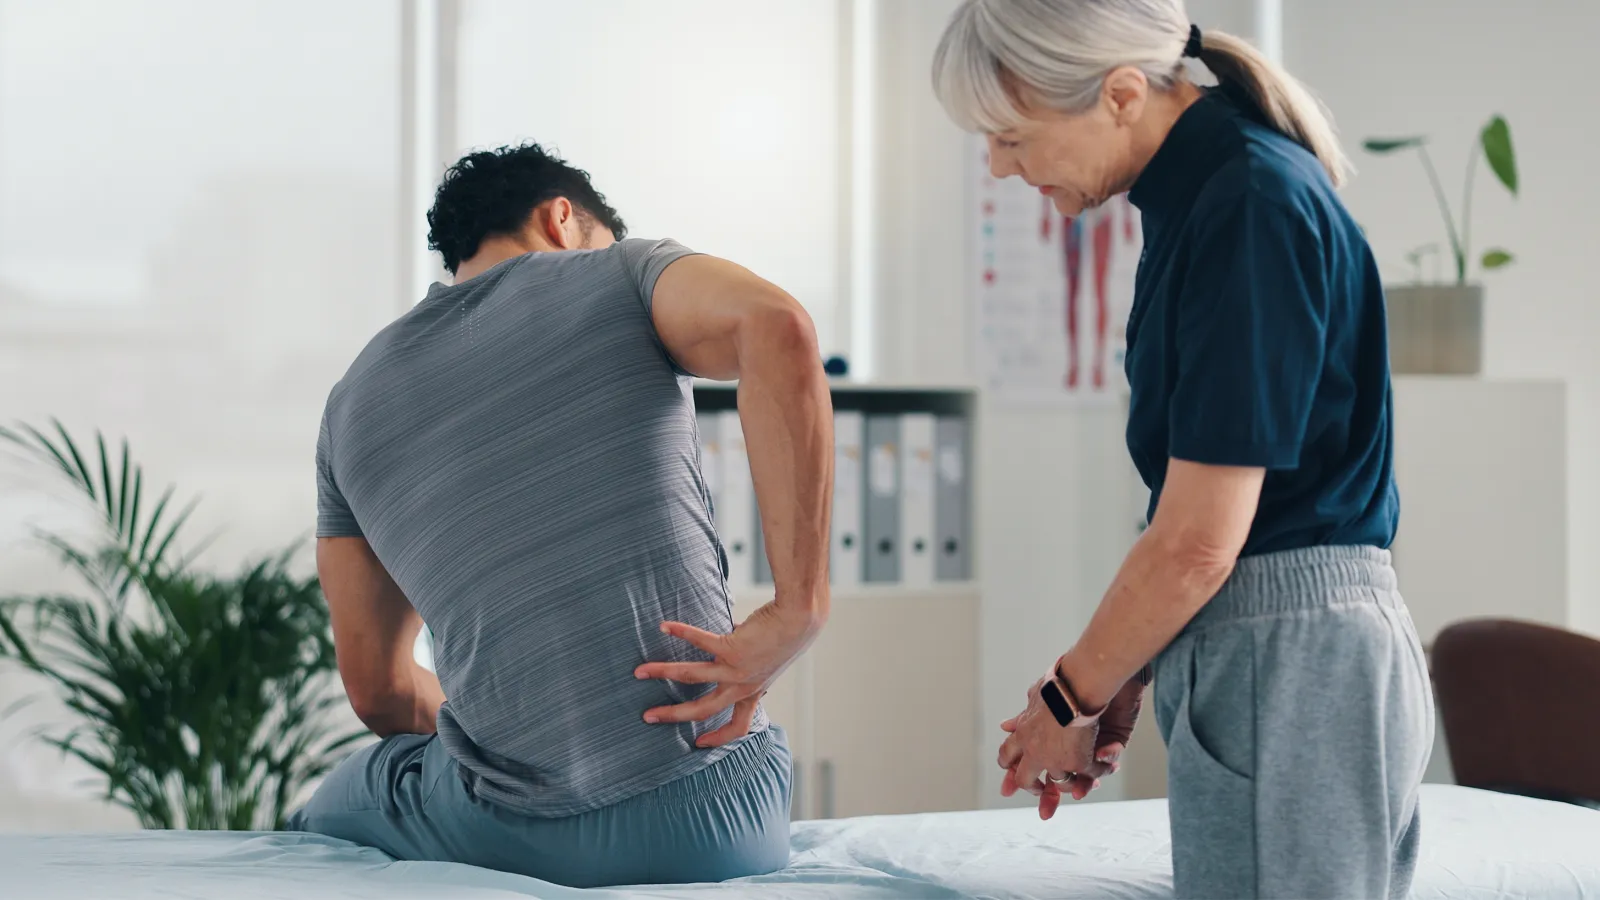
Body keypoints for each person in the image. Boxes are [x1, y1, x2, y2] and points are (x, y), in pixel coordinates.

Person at [933, 2, 1433, 898]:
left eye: (1012, 137)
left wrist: (1068, 700)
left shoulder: (1246, 203)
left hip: (1291, 661)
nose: (1001, 167)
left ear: (1122, 94)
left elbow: (1202, 539)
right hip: (1286, 649)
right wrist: (1121, 672)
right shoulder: (1210, 195)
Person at [287, 142, 833, 888]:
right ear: (562, 219)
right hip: (726, 823)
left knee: (353, 787)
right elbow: (779, 326)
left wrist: (522, 729)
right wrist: (799, 606)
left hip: (505, 831)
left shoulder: (348, 409)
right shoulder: (621, 274)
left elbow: (378, 692)